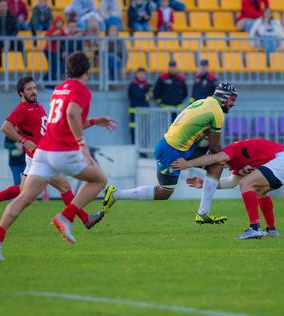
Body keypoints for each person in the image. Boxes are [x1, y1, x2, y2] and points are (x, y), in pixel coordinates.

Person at [0, 53, 118, 260]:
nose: (33, 91)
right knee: (99, 179)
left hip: (43, 152)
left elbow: (66, 119)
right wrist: (82, 146)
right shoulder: (81, 90)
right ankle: (66, 217)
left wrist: (93, 121)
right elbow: (72, 115)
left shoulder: (60, 89)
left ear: (68, 70)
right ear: (88, 71)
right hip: (62, 150)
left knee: (25, 196)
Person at [101, 83, 238, 225]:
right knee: (163, 193)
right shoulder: (217, 113)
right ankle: (116, 194)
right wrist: (225, 158)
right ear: (224, 97)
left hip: (181, 147)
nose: (233, 104)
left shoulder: (203, 102)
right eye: (232, 100)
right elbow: (215, 146)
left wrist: (214, 155)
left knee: (216, 164)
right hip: (170, 150)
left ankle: (203, 214)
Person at [0, 76, 104, 231]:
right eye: (29, 89)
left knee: (23, 190)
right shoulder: (22, 109)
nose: (33, 91)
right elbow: (5, 127)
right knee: (64, 187)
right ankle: (85, 219)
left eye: (34, 88)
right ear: (21, 93)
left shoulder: (37, 106)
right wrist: (23, 140)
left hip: (39, 155)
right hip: (40, 158)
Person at [171, 138, 284, 240]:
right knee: (260, 191)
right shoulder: (237, 164)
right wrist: (203, 183)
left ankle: (254, 228)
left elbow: (215, 158)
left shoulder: (231, 150)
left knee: (246, 183)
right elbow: (231, 182)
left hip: (283, 160)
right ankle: (271, 230)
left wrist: (187, 164)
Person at [0, 0, 25, 67]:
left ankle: (24, 64)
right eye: (2, 6)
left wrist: (9, 39)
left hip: (9, 40)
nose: (4, 8)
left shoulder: (12, 17)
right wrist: (2, 39)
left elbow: (15, 30)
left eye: (5, 6)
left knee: (20, 43)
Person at [128, 67, 152, 143]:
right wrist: (146, 96)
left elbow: (151, 94)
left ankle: (143, 152)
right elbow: (140, 96)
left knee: (144, 132)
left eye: (144, 74)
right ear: (136, 74)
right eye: (140, 73)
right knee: (134, 132)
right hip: (134, 114)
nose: (142, 75)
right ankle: (134, 148)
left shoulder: (147, 85)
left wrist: (146, 96)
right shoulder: (133, 85)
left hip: (145, 114)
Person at [44, 16, 65, 85]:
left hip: (55, 51)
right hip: (48, 50)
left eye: (61, 22)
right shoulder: (53, 29)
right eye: (58, 22)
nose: (59, 24)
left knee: (54, 67)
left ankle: (46, 80)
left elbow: (65, 36)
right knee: (53, 66)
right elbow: (46, 35)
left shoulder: (61, 30)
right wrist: (54, 34)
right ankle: (48, 81)